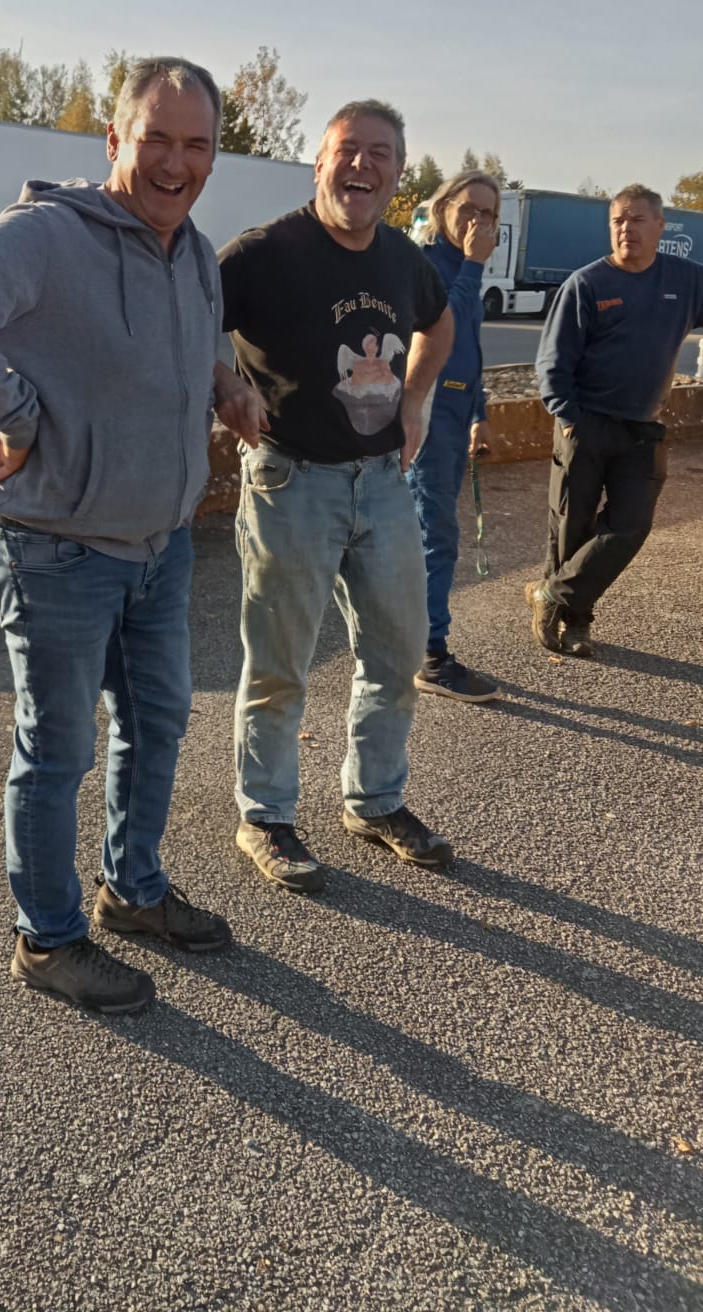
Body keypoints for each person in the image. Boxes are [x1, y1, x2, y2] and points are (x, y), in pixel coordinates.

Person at [0, 58, 232, 1015]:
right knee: (58, 751)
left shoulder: (195, 250)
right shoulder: (50, 235)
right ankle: (48, 940)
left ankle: (135, 891)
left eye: (195, 144)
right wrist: (17, 410)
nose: (175, 162)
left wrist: (229, 382)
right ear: (114, 141)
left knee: (157, 724)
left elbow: (206, 331)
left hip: (158, 547)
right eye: (155, 139)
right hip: (55, 548)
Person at [213, 99, 456, 894]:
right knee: (282, 663)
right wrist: (223, 384)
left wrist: (416, 400)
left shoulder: (401, 256)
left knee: (396, 653)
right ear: (318, 163)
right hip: (292, 481)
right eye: (348, 150)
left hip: (383, 482)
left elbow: (440, 322)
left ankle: (375, 801)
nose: (362, 165)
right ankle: (266, 816)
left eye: (380, 153)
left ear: (396, 173)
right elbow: (182, 318)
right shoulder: (262, 253)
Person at [527, 183, 703, 656]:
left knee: (629, 525)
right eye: (618, 220)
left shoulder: (687, 279)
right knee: (572, 529)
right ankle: (576, 625)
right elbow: (552, 362)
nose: (626, 229)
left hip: (642, 427)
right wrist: (567, 415)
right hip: (586, 422)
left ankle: (550, 593)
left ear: (659, 226)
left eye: (637, 219)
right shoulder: (588, 283)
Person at [406, 171, 501, 703]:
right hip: (427, 413)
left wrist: (479, 413)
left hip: (455, 412)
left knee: (428, 531)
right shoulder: (427, 265)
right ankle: (429, 653)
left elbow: (470, 346)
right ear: (443, 207)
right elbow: (446, 323)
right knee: (434, 534)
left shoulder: (464, 267)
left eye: (488, 215)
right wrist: (474, 263)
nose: (478, 223)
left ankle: (413, 640)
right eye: (469, 209)